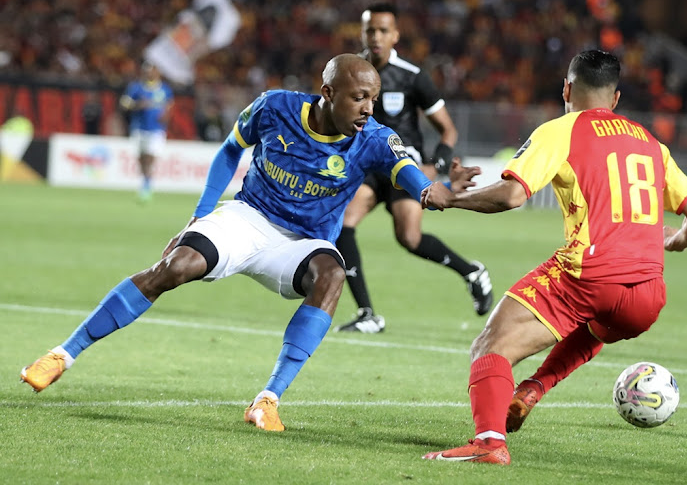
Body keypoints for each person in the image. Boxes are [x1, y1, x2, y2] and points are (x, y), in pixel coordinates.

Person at [20, 54, 477, 432]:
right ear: (328, 93)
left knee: (332, 274)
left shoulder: (374, 138)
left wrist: (437, 192)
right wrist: (200, 214)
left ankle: (267, 399)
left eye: (373, 99)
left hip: (301, 244)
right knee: (175, 267)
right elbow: (229, 151)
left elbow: (412, 177)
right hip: (248, 218)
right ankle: (62, 354)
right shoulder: (274, 107)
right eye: (359, 98)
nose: (368, 109)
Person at [420, 50, 687, 464]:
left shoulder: (561, 130)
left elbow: (511, 195)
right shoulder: (651, 143)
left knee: (491, 346)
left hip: (588, 273)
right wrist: (674, 241)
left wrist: (452, 198)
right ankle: (533, 389)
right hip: (648, 294)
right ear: (615, 99)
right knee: (595, 326)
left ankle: (489, 444)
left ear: (567, 89)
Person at [335, 2, 493, 334]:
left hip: (400, 166)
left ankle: (471, 271)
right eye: (370, 30)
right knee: (343, 223)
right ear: (362, 33)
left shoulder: (413, 76)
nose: (375, 37)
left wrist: (435, 166)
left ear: (395, 35)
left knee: (409, 238)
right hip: (366, 167)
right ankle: (367, 314)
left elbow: (447, 129)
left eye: (382, 30)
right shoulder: (351, 71)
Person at [119, 61, 174, 202]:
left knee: (151, 156)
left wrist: (166, 115)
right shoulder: (136, 87)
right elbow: (124, 103)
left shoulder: (164, 89)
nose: (149, 73)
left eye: (152, 71)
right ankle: (145, 181)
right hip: (138, 127)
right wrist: (138, 105)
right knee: (141, 157)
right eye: (147, 71)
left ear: (157, 72)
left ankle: (147, 184)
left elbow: (169, 105)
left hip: (156, 129)